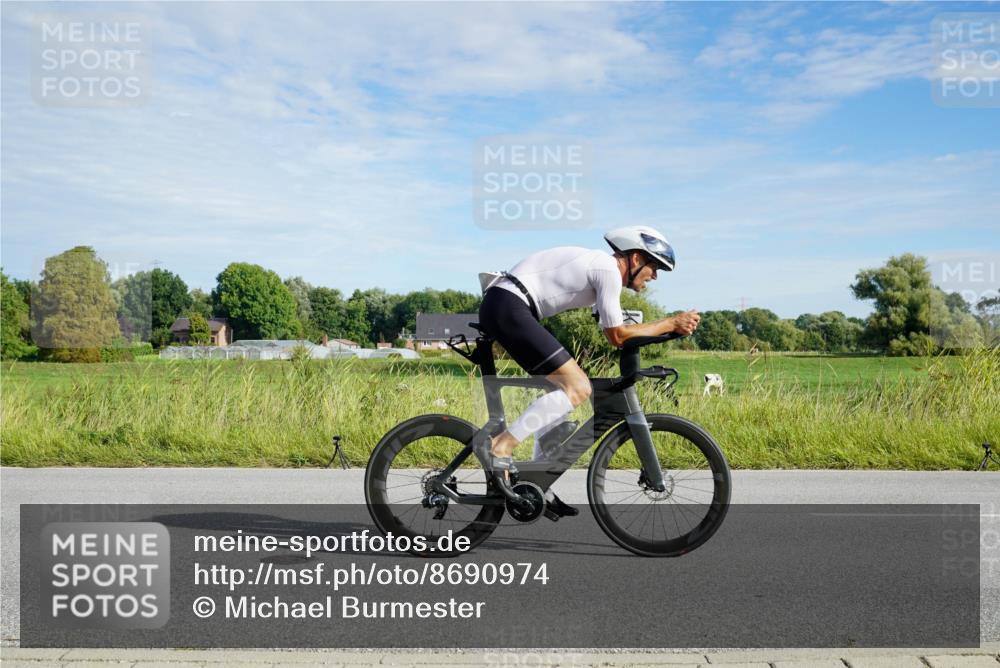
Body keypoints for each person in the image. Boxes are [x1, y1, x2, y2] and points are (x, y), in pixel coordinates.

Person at [476, 226, 701, 518]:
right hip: (509, 305)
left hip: (508, 305)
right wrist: (671, 323)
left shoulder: (600, 271)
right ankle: (502, 446)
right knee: (578, 387)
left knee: (561, 390)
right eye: (655, 267)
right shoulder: (607, 269)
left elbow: (620, 330)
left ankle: (538, 481)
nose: (655, 276)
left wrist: (666, 330)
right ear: (635, 259)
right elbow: (617, 336)